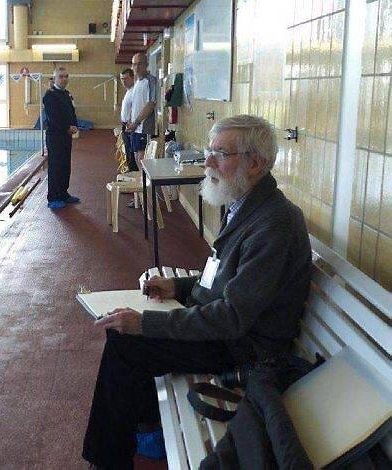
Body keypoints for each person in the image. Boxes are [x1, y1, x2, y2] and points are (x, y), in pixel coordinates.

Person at [82, 115, 312, 469]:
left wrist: (146, 324)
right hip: (226, 329)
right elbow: (222, 277)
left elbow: (232, 318)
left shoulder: (274, 224)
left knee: (126, 343)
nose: (207, 162)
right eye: (210, 150)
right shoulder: (247, 206)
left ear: (255, 163)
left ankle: (109, 459)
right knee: (128, 339)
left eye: (220, 153)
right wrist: (178, 286)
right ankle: (148, 433)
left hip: (244, 348)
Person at [43, 66, 80, 210]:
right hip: (55, 137)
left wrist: (75, 125)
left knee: (65, 165)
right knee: (55, 167)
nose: (64, 79)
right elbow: (53, 118)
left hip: (66, 137)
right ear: (54, 79)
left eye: (66, 76)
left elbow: (72, 113)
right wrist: (66, 128)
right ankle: (53, 197)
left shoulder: (66, 94)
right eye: (61, 76)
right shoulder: (49, 96)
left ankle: (63, 194)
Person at [126, 53, 158, 170]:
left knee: (143, 160)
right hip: (135, 127)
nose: (137, 67)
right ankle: (142, 186)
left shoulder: (151, 81)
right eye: (134, 64)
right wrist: (131, 121)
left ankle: (147, 187)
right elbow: (136, 105)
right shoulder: (137, 83)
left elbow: (151, 103)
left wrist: (137, 122)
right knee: (136, 158)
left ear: (146, 65)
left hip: (145, 127)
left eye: (140, 64)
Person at [119, 68, 138, 173]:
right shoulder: (128, 91)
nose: (123, 81)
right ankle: (131, 172)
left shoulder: (135, 91)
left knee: (132, 152)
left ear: (133, 77)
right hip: (125, 125)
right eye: (122, 79)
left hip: (131, 126)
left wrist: (132, 124)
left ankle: (133, 174)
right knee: (128, 151)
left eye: (126, 78)